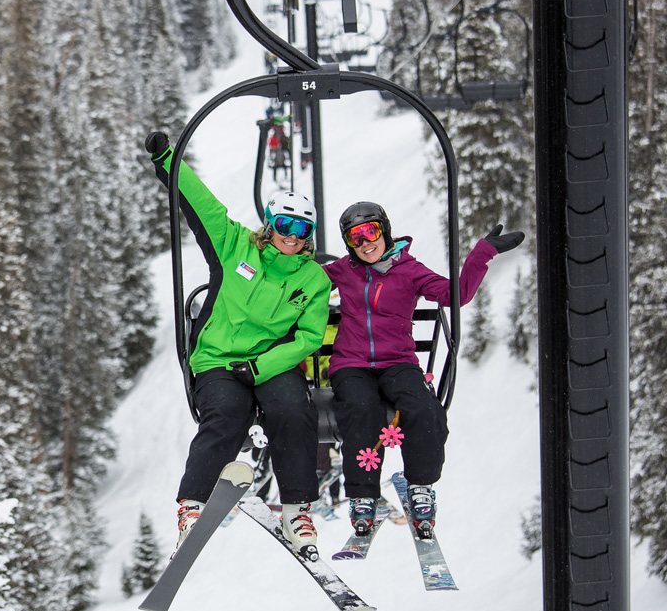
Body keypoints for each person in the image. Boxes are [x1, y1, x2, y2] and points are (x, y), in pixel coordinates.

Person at [145, 130, 331, 557]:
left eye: (301, 229)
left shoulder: (313, 280)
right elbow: (203, 205)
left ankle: (296, 510)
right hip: (218, 360)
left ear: (309, 235)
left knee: (293, 411)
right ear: (270, 223)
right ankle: (192, 506)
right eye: (284, 224)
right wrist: (168, 159)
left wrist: (263, 366)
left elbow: (308, 337)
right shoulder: (235, 246)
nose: (291, 235)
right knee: (225, 414)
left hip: (271, 363)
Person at [323, 201, 524, 539]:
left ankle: (420, 486)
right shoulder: (343, 270)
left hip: (398, 362)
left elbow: (454, 295)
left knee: (424, 410)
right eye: (355, 238)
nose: (365, 243)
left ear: (384, 230)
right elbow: (300, 287)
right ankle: (363, 494)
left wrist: (482, 254)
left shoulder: (410, 270)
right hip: (351, 363)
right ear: (348, 244)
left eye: (370, 232)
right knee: (361, 410)